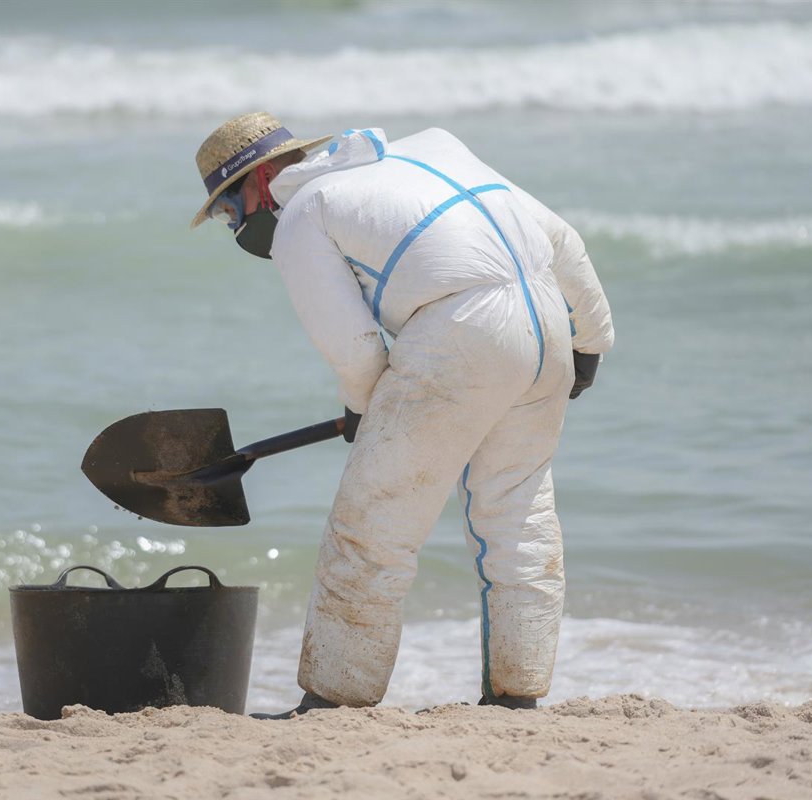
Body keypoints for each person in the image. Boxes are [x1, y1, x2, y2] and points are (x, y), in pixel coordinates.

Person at [191, 112, 614, 718]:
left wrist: (366, 409)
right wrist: (591, 343)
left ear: (258, 182)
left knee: (372, 524)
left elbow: (355, 350)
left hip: (460, 331)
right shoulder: (435, 150)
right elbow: (563, 241)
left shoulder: (304, 213)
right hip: (547, 320)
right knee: (517, 514)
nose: (236, 227)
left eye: (229, 213)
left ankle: (335, 698)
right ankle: (516, 695)